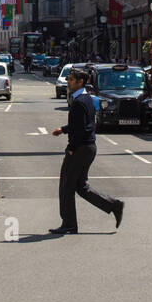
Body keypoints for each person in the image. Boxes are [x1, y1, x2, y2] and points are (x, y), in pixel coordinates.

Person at [49, 67, 123, 234]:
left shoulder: (79, 102)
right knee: (81, 186)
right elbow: (81, 124)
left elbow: (81, 129)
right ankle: (114, 205)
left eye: (71, 79)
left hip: (80, 148)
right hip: (88, 147)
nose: (68, 82)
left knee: (66, 186)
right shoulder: (86, 99)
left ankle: (68, 224)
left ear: (80, 82)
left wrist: (71, 149)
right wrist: (63, 129)